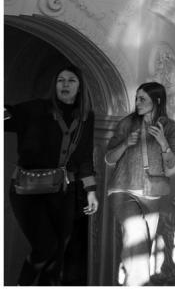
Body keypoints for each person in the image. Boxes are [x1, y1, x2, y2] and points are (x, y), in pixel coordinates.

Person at [5, 65, 98, 285]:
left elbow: (84, 158)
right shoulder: (35, 109)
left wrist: (91, 191)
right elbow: (7, 118)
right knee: (46, 247)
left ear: (80, 87)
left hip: (63, 191)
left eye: (71, 81)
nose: (65, 85)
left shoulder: (86, 117)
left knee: (58, 254)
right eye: (60, 80)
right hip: (27, 190)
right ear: (54, 85)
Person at [105, 82, 175, 286]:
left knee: (144, 244)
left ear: (157, 100)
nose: (137, 102)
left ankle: (128, 276)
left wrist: (164, 142)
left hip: (152, 192)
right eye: (137, 98)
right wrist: (125, 144)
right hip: (121, 189)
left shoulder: (169, 125)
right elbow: (109, 159)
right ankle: (140, 284)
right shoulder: (126, 123)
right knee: (136, 230)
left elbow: (171, 162)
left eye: (142, 99)